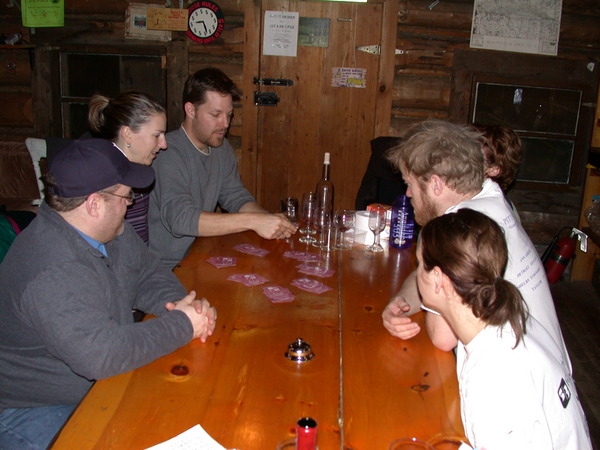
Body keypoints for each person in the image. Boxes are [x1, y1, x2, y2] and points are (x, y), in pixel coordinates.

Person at [0, 139, 217, 449]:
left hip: (98, 382)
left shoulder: (110, 230)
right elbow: (101, 356)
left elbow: (148, 272)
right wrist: (182, 325)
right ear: (94, 204)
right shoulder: (51, 269)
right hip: (30, 409)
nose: (130, 203)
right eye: (126, 195)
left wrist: (178, 307)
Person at [381, 120, 569, 367]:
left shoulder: (462, 227)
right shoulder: (488, 196)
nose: (408, 194)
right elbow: (428, 277)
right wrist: (402, 303)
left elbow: (442, 337)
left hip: (517, 382)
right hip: (548, 367)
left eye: (410, 184)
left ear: (436, 184)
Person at [416, 208, 591, 449]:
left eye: (419, 265)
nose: (416, 273)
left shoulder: (495, 374)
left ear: (437, 279)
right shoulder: (506, 316)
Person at [148, 68, 297, 268]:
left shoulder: (221, 148)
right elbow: (181, 220)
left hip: (204, 256)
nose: (225, 123)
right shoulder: (168, 153)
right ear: (191, 110)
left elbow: (236, 198)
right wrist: (253, 221)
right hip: (168, 268)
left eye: (229, 114)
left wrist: (268, 220)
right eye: (216, 114)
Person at [88, 91, 167, 244]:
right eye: (157, 135)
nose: (164, 145)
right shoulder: (102, 180)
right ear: (128, 134)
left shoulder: (139, 171)